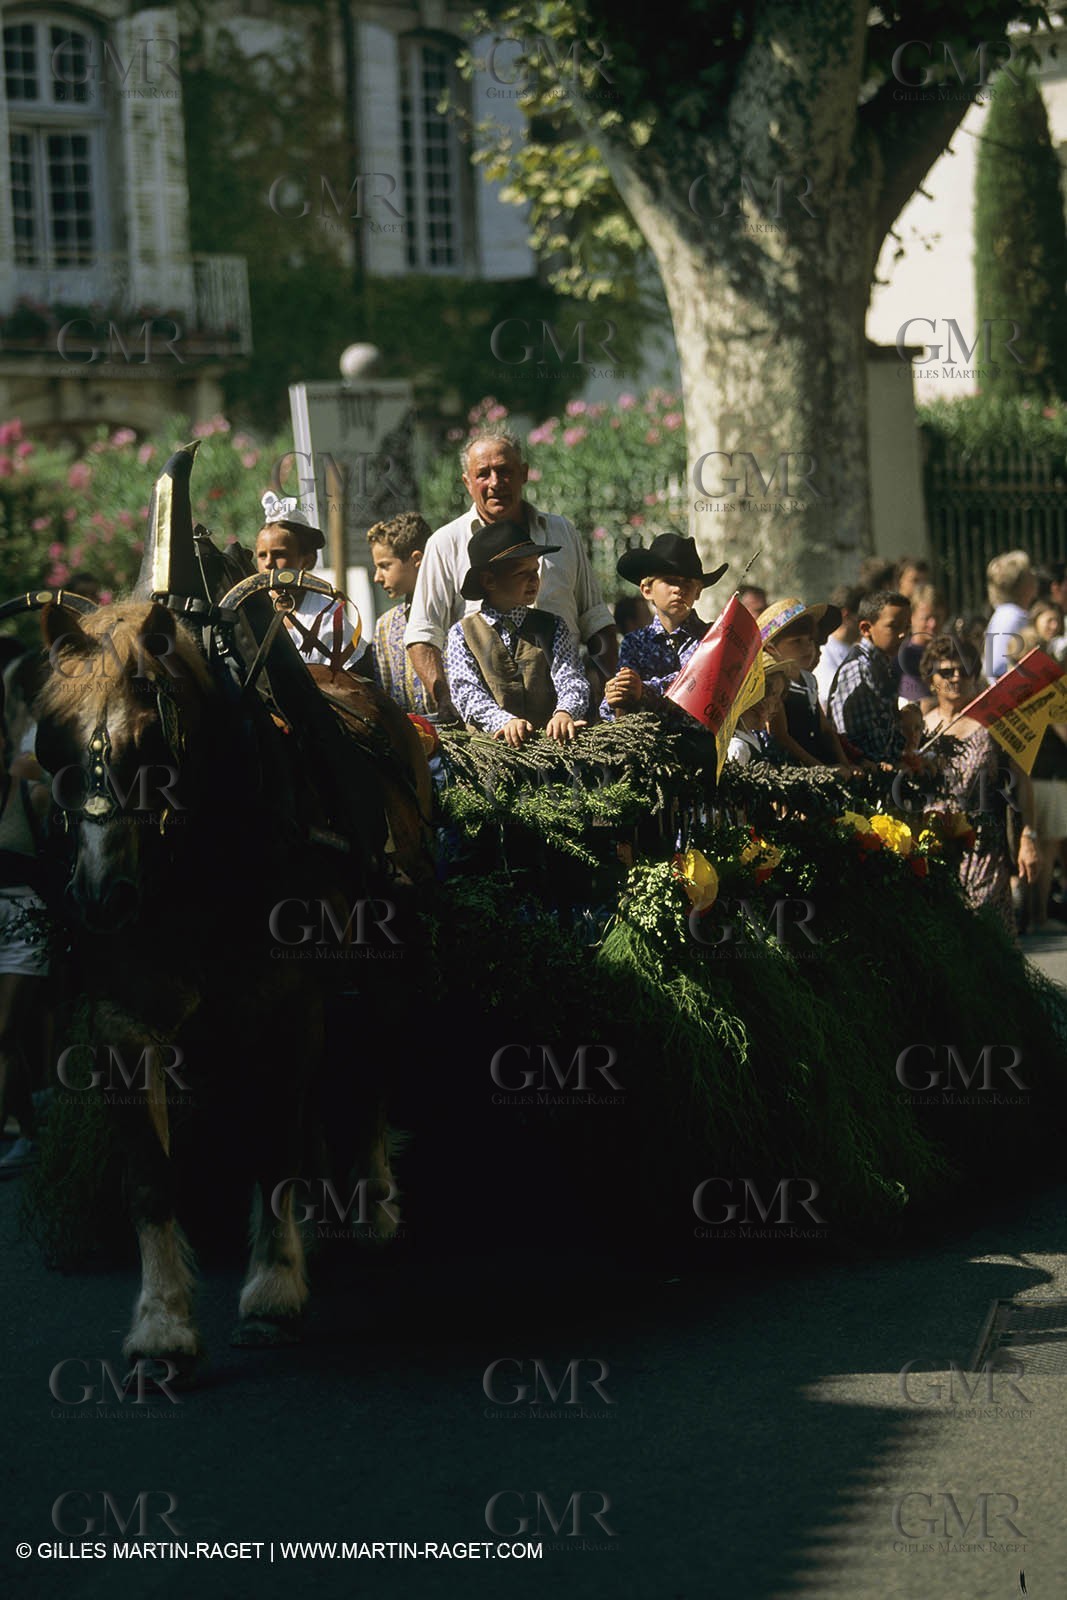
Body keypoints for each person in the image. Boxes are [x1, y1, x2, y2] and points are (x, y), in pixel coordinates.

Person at [405, 428, 616, 720]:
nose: (495, 483)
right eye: (483, 474)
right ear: (467, 482)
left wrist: (607, 691)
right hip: (491, 727)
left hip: (566, 720)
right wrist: (446, 702)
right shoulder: (444, 543)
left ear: (524, 473)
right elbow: (423, 634)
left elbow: (595, 619)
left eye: (504, 471)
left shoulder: (561, 532)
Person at [921, 635, 1039, 936]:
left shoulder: (994, 723)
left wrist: (1028, 836)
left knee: (989, 934)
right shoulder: (920, 726)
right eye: (946, 672)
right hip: (935, 846)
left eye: (965, 670)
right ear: (931, 679)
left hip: (984, 844)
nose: (956, 677)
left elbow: (1021, 781)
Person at [444, 520, 588, 746]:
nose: (534, 580)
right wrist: (503, 722)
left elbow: (571, 677)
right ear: (490, 581)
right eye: (522, 573)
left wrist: (565, 712)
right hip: (491, 754)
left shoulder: (554, 627)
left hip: (551, 751)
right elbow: (466, 692)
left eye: (535, 571)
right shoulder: (462, 634)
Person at [600, 533, 728, 726]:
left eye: (687, 582)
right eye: (670, 580)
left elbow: (694, 686)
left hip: (702, 746)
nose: (679, 589)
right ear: (647, 590)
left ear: (698, 591)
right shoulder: (634, 642)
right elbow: (620, 703)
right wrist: (617, 692)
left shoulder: (712, 637)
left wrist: (643, 691)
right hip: (650, 744)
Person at [0, 698, 51, 1176]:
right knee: (5, 1041)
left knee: (4, 1031)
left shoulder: (25, 777)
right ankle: (32, 1132)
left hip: (23, 915)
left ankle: (29, 1132)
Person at [254, 492, 369, 674]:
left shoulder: (326, 615)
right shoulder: (251, 611)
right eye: (262, 555)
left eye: (279, 554)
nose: (268, 563)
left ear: (307, 560)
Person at [758, 598, 855, 769]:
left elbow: (825, 730)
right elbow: (781, 736)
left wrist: (844, 763)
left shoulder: (809, 680)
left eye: (810, 640)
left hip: (819, 762)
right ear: (771, 648)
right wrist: (820, 770)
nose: (808, 648)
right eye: (796, 641)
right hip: (795, 769)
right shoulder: (776, 685)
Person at [827, 590, 912, 764]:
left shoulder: (881, 665)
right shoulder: (858, 668)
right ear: (866, 628)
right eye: (894, 626)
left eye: (906, 627)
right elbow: (851, 736)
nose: (903, 634)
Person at [366, 512, 434, 715]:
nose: (377, 577)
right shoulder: (385, 626)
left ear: (417, 559)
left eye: (385, 566)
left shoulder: (454, 615)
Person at [984, 549, 1038, 680]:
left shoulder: (1009, 614)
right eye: (1029, 573)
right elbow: (997, 667)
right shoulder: (1011, 616)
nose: (1035, 575)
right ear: (1022, 584)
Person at [727, 653, 789, 766]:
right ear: (756, 697)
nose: (779, 704)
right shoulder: (738, 747)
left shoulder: (752, 737)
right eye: (774, 694)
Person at [813, 583, 862, 711]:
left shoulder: (856, 650)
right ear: (846, 615)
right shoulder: (823, 651)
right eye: (862, 617)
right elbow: (834, 696)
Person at [897, 584, 946, 705]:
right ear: (911, 617)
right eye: (926, 618)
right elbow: (921, 703)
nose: (933, 624)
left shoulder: (947, 652)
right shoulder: (907, 656)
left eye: (937, 617)